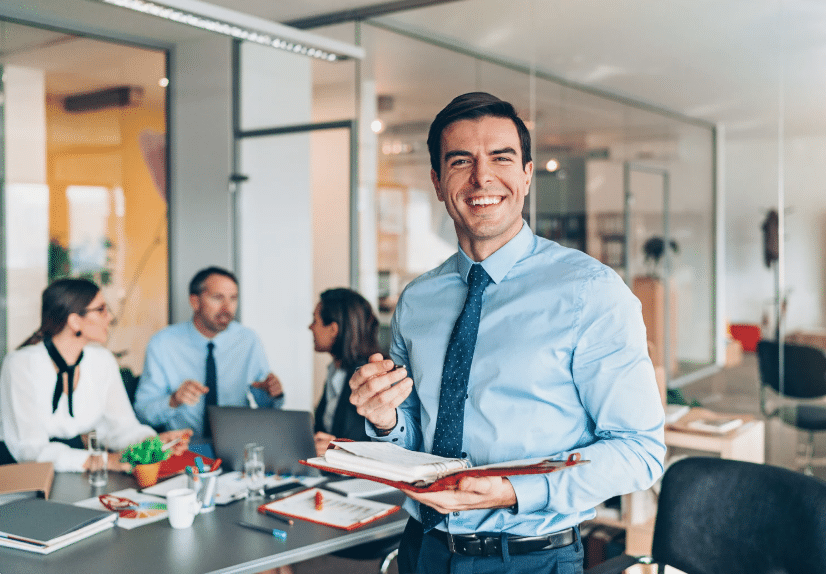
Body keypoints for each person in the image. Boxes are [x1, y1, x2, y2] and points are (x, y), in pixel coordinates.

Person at [348, 92, 666, 574]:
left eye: (501, 158)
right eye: (461, 161)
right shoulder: (417, 300)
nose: (482, 177)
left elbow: (640, 450)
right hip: (424, 550)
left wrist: (517, 491)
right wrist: (387, 420)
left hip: (529, 559)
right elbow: (412, 439)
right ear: (437, 181)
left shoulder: (590, 292)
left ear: (527, 174)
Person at [0, 278, 190, 472]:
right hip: (23, 479)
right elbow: (30, 450)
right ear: (74, 321)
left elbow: (122, 428)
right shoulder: (20, 364)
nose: (110, 318)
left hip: (81, 474)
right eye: (101, 310)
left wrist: (151, 443)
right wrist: (103, 461)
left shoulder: (102, 360)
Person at [134, 267, 284, 438]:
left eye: (233, 298)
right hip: (184, 446)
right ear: (195, 302)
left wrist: (272, 393)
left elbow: (269, 407)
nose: (227, 308)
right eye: (218, 298)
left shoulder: (248, 340)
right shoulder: (163, 343)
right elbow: (143, 412)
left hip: (237, 443)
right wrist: (173, 400)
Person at [309, 288, 381, 457]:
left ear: (333, 329)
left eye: (314, 320)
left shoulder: (369, 377)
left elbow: (380, 446)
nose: (310, 327)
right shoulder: (334, 371)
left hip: (358, 479)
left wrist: (342, 450)